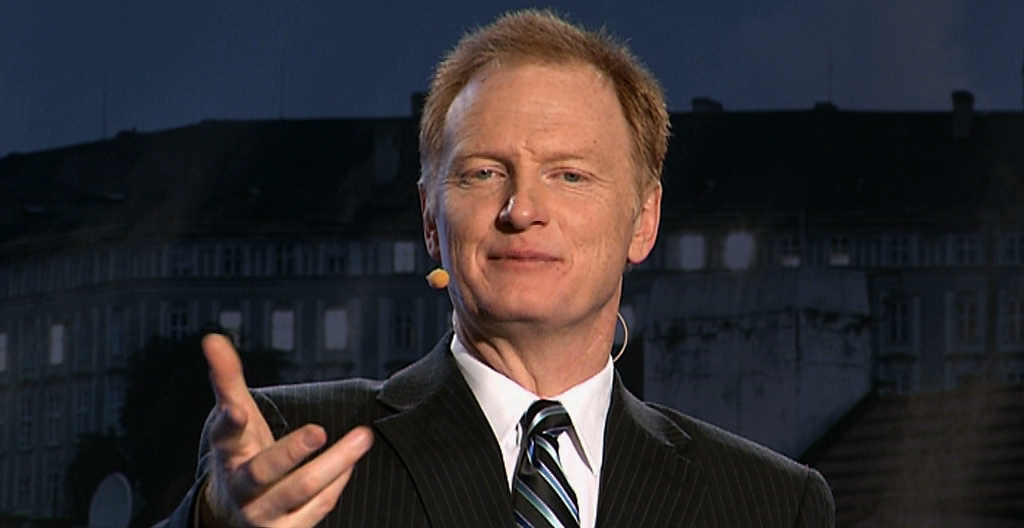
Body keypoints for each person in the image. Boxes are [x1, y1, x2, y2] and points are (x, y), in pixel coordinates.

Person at [158, 9, 834, 528]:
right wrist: (214, 523)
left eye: (569, 175)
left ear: (644, 221)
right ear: (430, 218)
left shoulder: (772, 504)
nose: (522, 209)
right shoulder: (293, 452)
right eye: (483, 173)